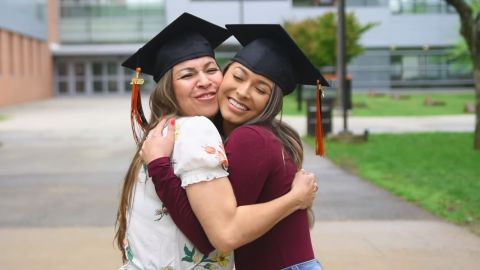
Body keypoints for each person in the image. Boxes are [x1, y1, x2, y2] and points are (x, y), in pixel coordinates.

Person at [116, 13, 318, 270]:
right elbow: (221, 233)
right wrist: (295, 199)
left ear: (272, 101)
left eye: (261, 89)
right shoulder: (199, 133)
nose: (243, 92)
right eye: (238, 76)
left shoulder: (241, 137)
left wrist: (158, 165)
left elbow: (219, 235)